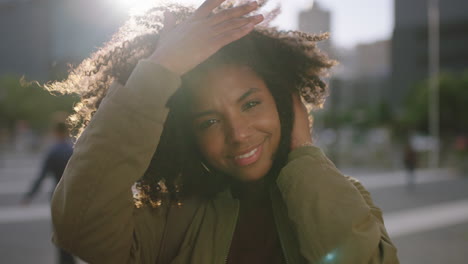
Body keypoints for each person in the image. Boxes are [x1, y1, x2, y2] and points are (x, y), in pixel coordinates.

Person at [48, 0, 400, 263]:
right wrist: (159, 70)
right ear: (190, 137)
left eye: (250, 104)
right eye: (209, 121)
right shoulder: (172, 217)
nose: (238, 133)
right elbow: (79, 226)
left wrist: (303, 153)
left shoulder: (345, 196)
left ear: (283, 102)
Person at [21, 122, 76, 264]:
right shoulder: (74, 149)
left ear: (55, 132)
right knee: (71, 232)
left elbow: (41, 176)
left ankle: (65, 261)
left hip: (57, 196)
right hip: (73, 195)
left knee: (59, 234)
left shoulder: (53, 151)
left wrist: (29, 196)